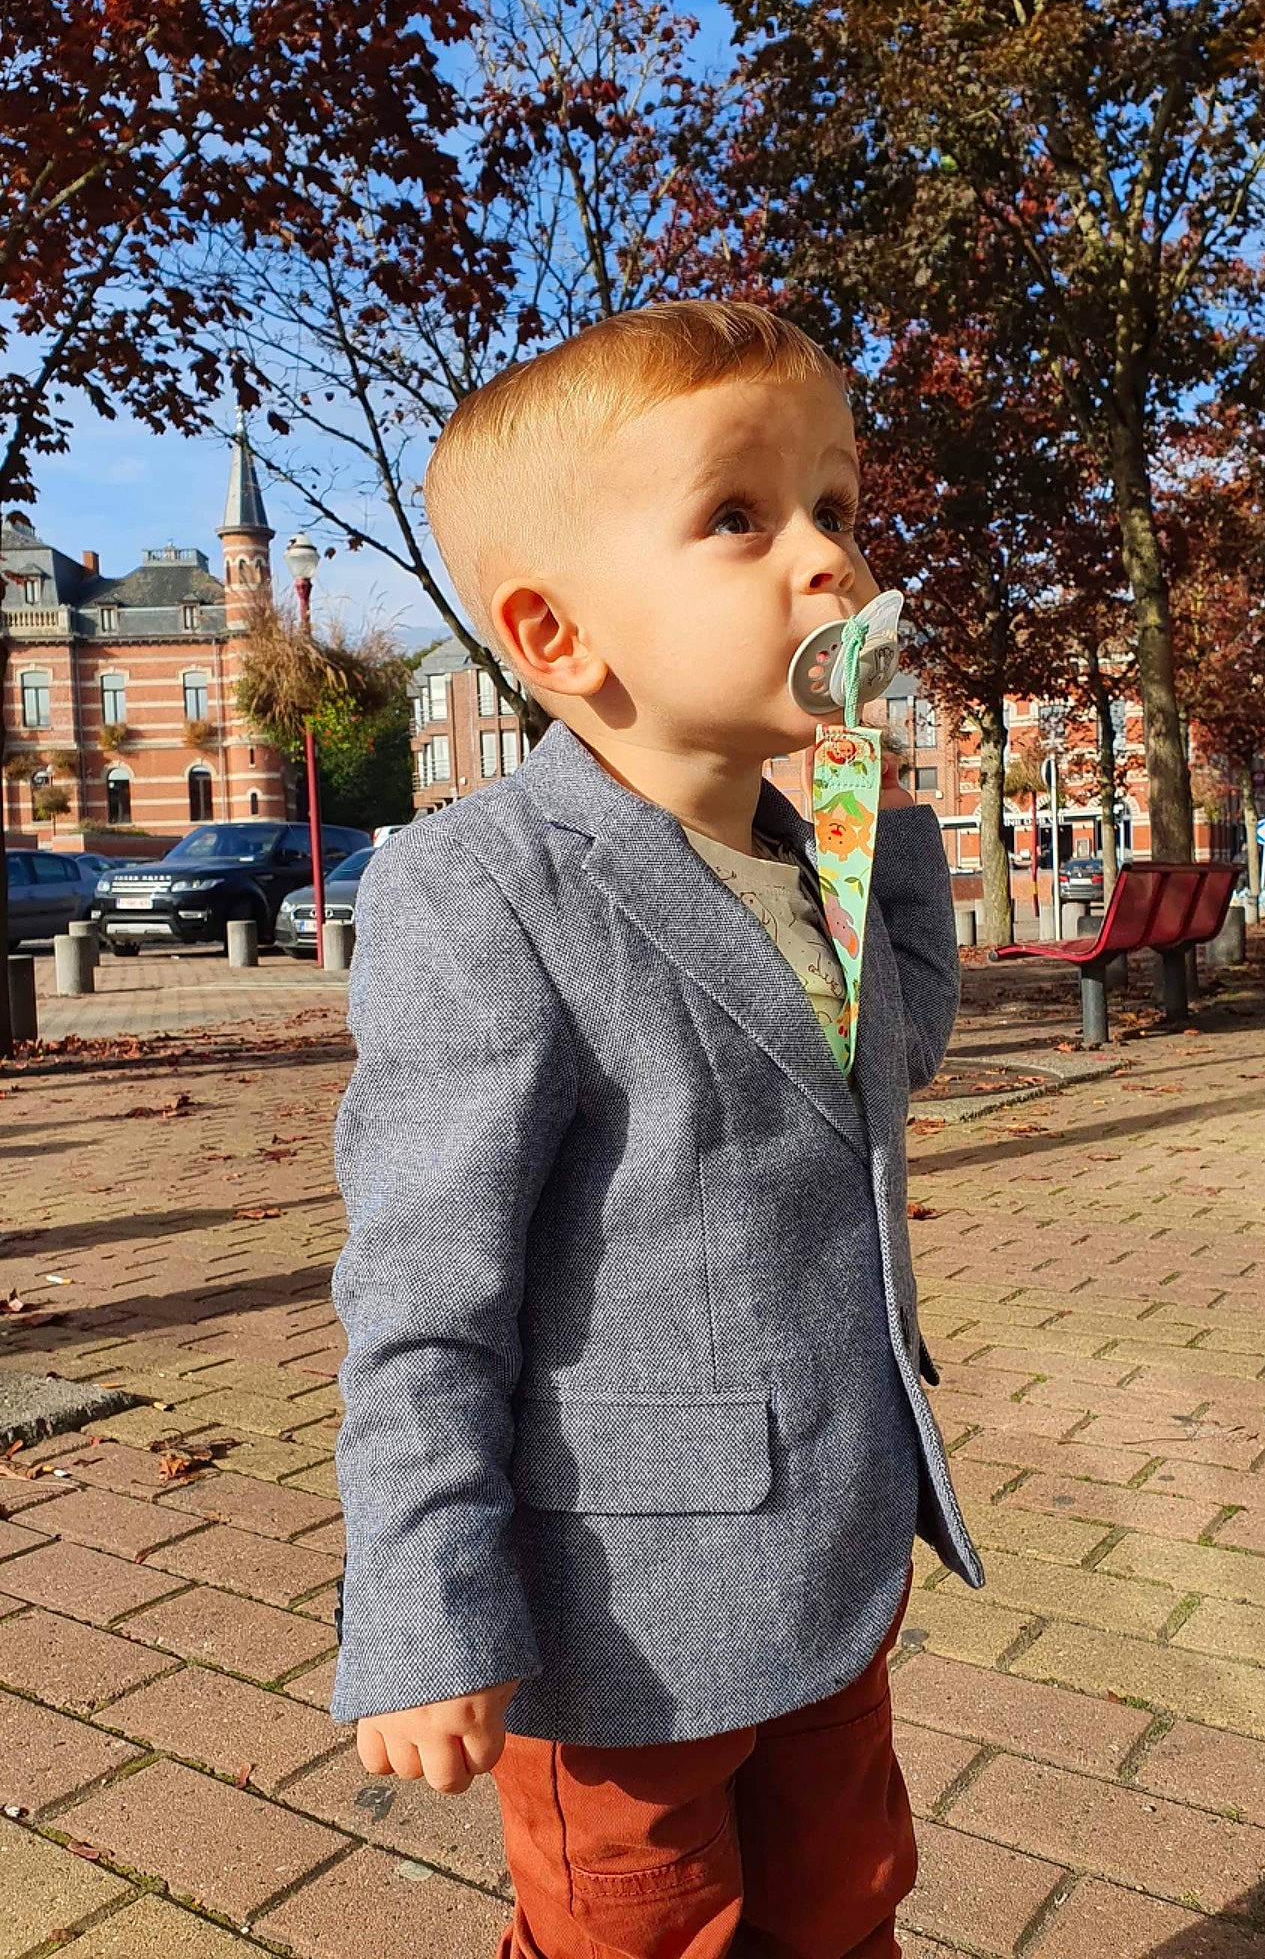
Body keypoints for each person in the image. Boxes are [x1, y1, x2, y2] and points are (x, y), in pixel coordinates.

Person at [327, 299, 983, 1959]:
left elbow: (892, 1061)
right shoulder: (486, 890)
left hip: (835, 1547)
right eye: (740, 517)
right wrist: (423, 1597)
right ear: (555, 638)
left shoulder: (814, 839)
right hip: (621, 1617)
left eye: (837, 505)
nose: (828, 560)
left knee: (845, 1899)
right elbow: (422, 1285)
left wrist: (871, 801)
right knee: (643, 1931)